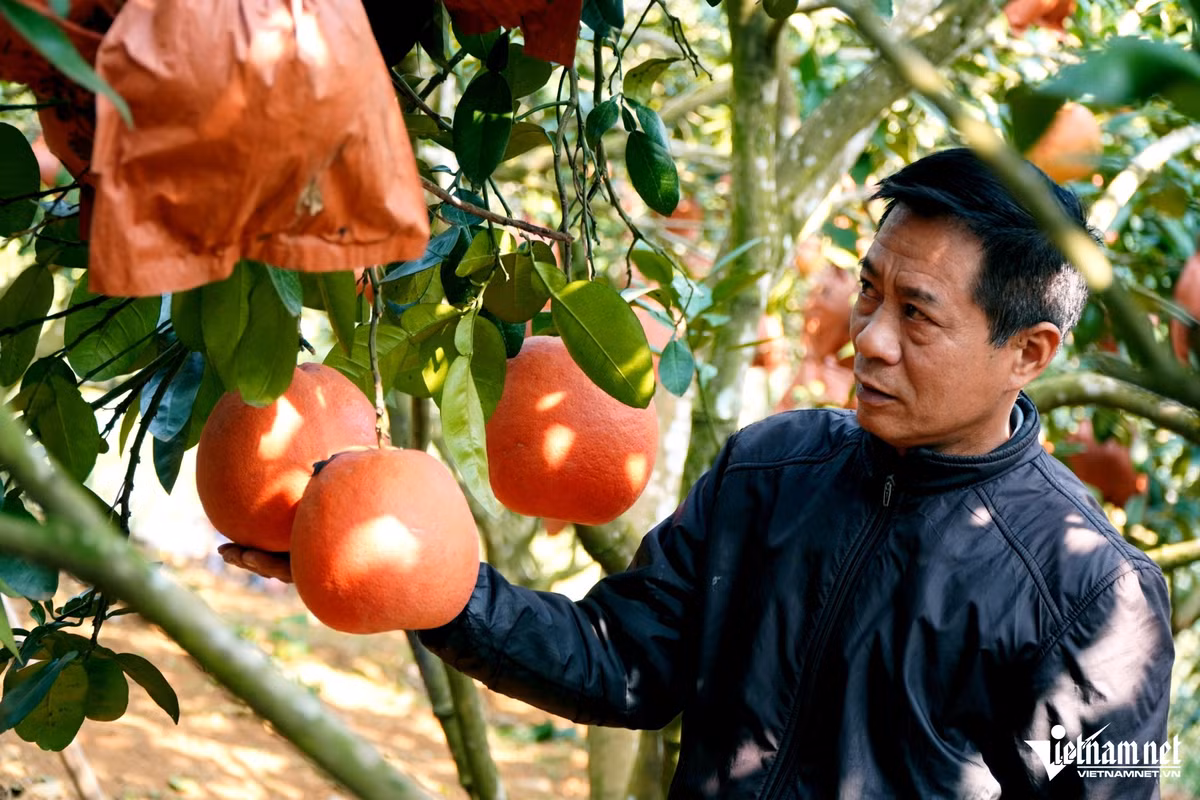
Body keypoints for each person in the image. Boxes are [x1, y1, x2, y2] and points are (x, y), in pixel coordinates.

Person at [221, 148, 1174, 798]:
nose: (869, 339)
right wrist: (436, 594)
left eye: (916, 315)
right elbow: (626, 662)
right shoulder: (776, 469)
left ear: (1030, 350)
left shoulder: (1094, 594)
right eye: (871, 290)